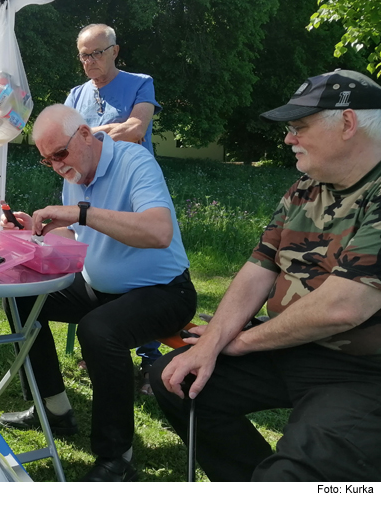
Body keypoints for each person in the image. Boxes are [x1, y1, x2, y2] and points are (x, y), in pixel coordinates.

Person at [151, 69, 381, 482]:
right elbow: (259, 266)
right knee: (174, 378)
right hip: (291, 348)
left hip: (362, 370)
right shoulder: (305, 187)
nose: (289, 139)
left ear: (347, 123)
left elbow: (344, 307)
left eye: (300, 127)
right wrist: (213, 343)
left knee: (293, 474)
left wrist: (239, 342)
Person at [0, 104, 196, 481]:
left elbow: (159, 232)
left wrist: (81, 213)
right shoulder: (75, 170)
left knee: (99, 329)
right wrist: (34, 231)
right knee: (20, 292)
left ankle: (116, 456)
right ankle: (55, 409)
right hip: (100, 286)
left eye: (60, 154)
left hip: (165, 291)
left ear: (86, 135)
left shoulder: (134, 161)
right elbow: (78, 236)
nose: (57, 165)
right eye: (47, 160)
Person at [65, 23, 163, 394]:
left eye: (96, 53)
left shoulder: (140, 82)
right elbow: (66, 139)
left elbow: (137, 127)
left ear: (115, 51)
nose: (89, 61)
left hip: (132, 188)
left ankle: (151, 361)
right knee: (95, 265)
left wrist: (89, 137)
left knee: (141, 268)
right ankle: (101, 348)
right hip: (89, 189)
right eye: (83, 55)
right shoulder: (76, 94)